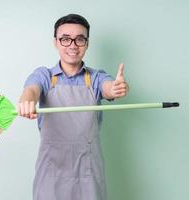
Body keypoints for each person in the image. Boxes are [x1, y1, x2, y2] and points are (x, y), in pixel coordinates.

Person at [18, 14, 129, 200]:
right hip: (51, 170)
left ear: (87, 43)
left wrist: (116, 88)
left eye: (79, 39)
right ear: (56, 42)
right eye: (65, 39)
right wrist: (26, 101)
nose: (73, 45)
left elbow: (109, 88)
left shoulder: (95, 78)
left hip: (88, 168)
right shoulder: (44, 75)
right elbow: (31, 90)